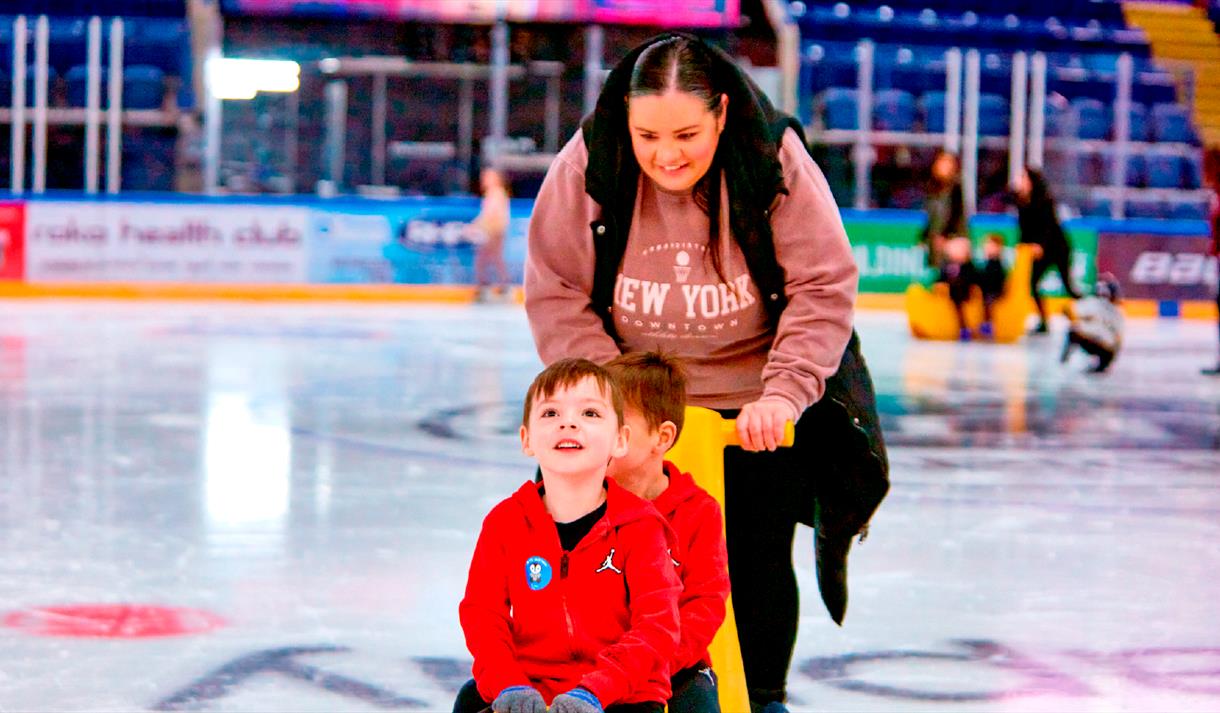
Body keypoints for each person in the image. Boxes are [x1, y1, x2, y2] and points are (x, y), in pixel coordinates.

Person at [524, 32, 889, 713]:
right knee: (612, 560)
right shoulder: (591, 161)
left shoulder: (769, 158)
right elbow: (555, 289)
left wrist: (783, 395)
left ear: (721, 113)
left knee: (753, 558)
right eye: (647, 135)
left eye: (687, 133)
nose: (666, 155)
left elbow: (822, 284)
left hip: (751, 403)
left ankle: (765, 695)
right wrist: (611, 399)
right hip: (632, 404)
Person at [454, 358, 681, 713]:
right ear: (527, 439)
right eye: (550, 414)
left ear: (620, 440)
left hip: (623, 694)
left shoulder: (641, 526)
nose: (569, 422)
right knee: (470, 699)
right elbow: (483, 615)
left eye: (590, 413)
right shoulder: (505, 522)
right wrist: (508, 683)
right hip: (529, 689)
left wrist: (596, 691)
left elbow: (657, 626)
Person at [605, 352, 729, 713]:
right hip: (592, 665)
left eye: (616, 421)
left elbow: (704, 606)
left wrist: (649, 663)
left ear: (661, 437)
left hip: (673, 668)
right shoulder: (576, 500)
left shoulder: (699, 512)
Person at [1012, 167, 1082, 333]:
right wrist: (1022, 244)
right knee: (1033, 284)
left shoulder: (1044, 200)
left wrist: (1040, 244)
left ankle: (1089, 312)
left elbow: (1048, 226)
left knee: (1068, 286)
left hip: (1057, 248)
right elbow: (1024, 228)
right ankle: (1043, 320)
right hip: (1040, 250)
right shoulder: (1022, 201)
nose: (1020, 181)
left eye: (1023, 177)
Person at [1061, 274, 1124, 373]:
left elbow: (1069, 312)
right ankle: (1103, 363)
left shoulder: (1097, 304)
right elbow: (1119, 338)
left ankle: (1064, 359)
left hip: (1103, 346)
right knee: (1074, 331)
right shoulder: (1114, 309)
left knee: (1073, 331)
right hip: (1104, 347)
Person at [470, 167, 511, 302]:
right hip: (493, 230)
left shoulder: (496, 193)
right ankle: (494, 287)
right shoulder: (494, 193)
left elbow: (491, 214)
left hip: (494, 231)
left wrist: (475, 226)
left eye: (488, 177)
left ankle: (492, 288)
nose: (485, 180)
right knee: (489, 259)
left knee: (486, 259)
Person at [920, 150, 967, 267]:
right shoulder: (932, 190)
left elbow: (952, 215)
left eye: (948, 163)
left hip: (951, 240)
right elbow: (930, 218)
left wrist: (943, 236)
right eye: (941, 162)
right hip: (934, 240)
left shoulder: (955, 189)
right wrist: (923, 237)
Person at [938, 236, 980, 341]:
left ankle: (965, 327)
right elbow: (941, 278)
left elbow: (974, 279)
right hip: (951, 295)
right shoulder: (947, 266)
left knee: (960, 304)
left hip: (965, 294)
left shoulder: (968, 267)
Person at [977, 233, 1008, 339]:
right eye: (987, 245)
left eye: (991, 245)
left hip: (994, 292)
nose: (987, 248)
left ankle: (989, 326)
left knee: (989, 305)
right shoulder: (987, 263)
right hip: (986, 292)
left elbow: (997, 280)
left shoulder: (997, 265)